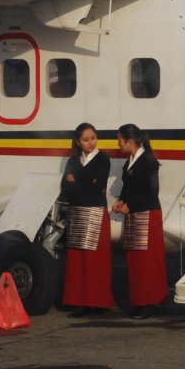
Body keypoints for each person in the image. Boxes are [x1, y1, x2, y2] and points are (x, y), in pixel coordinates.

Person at [111, 123, 167, 319]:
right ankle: (138, 300)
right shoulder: (130, 162)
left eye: (120, 140)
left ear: (129, 141)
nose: (118, 144)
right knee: (134, 260)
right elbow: (129, 189)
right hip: (135, 214)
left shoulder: (148, 161)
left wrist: (131, 205)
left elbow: (152, 192)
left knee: (147, 261)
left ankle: (150, 302)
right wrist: (120, 202)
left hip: (148, 214)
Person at [60, 122, 114, 317]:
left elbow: (96, 185)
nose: (91, 143)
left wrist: (77, 181)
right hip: (77, 211)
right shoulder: (73, 160)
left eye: (93, 138)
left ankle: (98, 302)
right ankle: (80, 301)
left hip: (95, 212)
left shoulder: (103, 159)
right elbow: (65, 187)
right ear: (78, 141)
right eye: (86, 139)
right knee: (77, 259)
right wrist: (84, 183)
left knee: (95, 260)